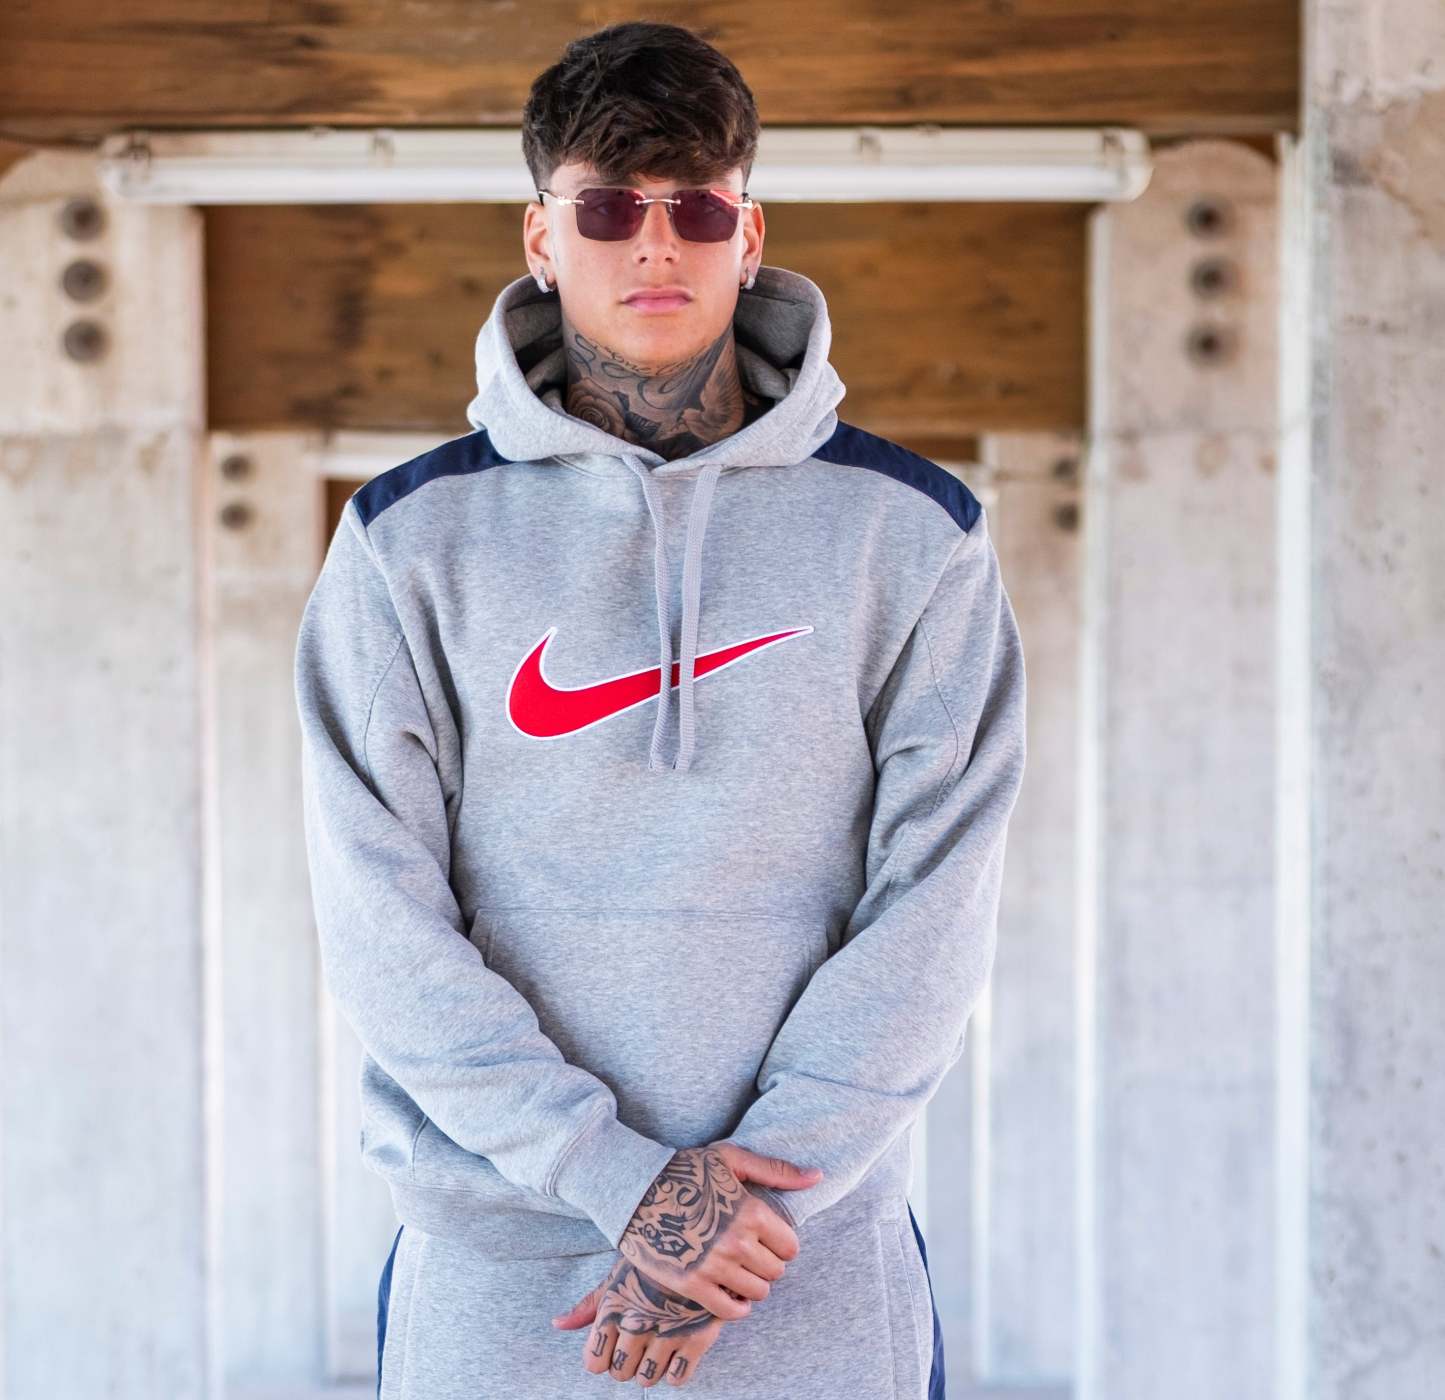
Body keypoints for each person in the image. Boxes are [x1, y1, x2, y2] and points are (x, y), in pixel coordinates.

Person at [293, 19, 1026, 1400]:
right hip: (506, 1260)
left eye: (696, 209)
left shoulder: (913, 533)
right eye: (608, 209)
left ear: (748, 237)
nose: (654, 245)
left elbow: (937, 901)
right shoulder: (406, 542)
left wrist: (742, 1215)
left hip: (802, 1260)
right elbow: (378, 918)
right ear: (541, 236)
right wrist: (624, 1185)